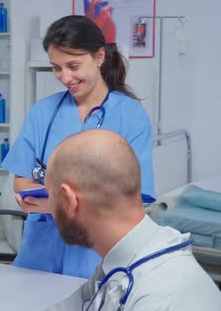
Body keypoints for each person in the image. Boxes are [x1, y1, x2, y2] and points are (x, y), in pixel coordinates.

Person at [1, 14, 155, 278]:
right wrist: (54, 202)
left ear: (99, 56)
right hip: (40, 255)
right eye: (56, 68)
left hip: (100, 254)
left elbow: (135, 196)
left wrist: (61, 206)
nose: (64, 77)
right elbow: (22, 181)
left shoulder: (130, 116)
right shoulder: (43, 112)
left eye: (73, 65)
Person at [45, 129, 221, 310]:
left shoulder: (165, 296)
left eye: (50, 196)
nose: (49, 209)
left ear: (69, 200)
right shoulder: (117, 263)